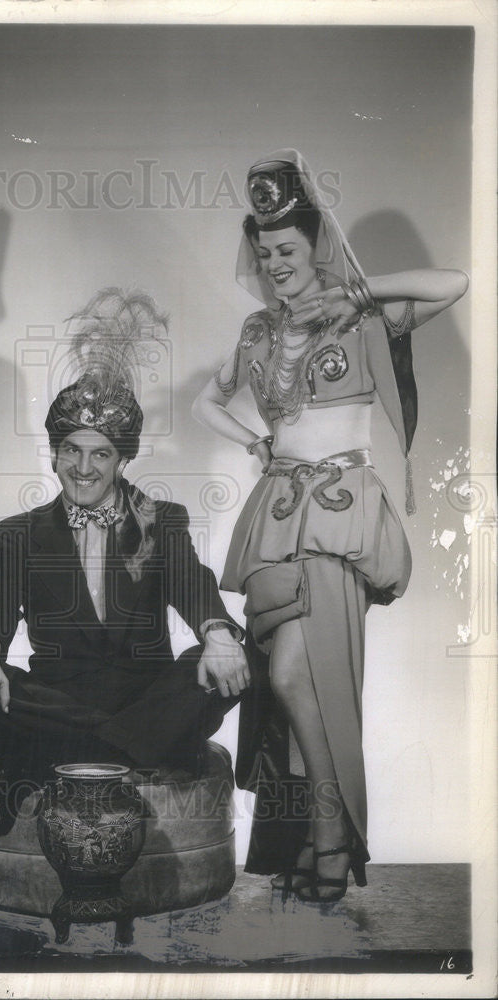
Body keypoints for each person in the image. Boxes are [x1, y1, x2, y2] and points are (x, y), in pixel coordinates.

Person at [192, 150, 468, 902]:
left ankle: (330, 840)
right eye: (264, 252)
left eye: (287, 249)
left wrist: (359, 289)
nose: (274, 264)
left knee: (301, 675)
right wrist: (252, 441)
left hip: (340, 513)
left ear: (316, 244)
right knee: (281, 684)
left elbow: (455, 283)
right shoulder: (255, 331)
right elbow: (204, 404)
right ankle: (318, 837)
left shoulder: (360, 311)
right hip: (276, 516)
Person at [0, 290, 249, 800]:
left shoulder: (162, 521)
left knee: (237, 663)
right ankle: (133, 751)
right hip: (57, 697)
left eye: (100, 454)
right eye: (71, 450)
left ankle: (67, 752)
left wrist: (218, 632)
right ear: (53, 453)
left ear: (122, 460)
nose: (83, 469)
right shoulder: (20, 532)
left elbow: (192, 583)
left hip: (149, 694)